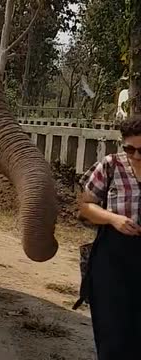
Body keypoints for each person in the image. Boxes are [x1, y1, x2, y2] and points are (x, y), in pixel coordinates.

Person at [77, 116, 141, 358]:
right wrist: (113, 219)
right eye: (129, 149)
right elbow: (85, 206)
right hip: (112, 257)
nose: (135, 156)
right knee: (112, 331)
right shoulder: (111, 166)